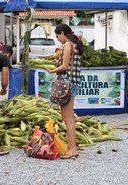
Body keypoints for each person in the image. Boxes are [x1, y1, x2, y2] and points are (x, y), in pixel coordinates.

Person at [46, 23, 83, 159]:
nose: (58, 39)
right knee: (68, 117)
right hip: (73, 83)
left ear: (62, 33)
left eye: (57, 36)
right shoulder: (75, 45)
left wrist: (52, 70)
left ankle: (73, 149)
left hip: (67, 83)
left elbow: (64, 66)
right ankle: (71, 146)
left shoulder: (68, 45)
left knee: (68, 118)